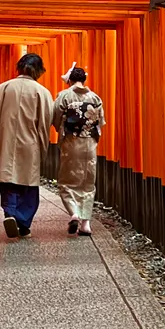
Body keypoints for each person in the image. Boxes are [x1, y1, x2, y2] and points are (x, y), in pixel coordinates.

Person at [0, 53, 54, 238]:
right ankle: (23, 223)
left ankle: (10, 214)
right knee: (28, 185)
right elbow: (46, 122)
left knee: (8, 181)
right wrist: (43, 149)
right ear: (39, 70)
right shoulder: (42, 92)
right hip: (31, 145)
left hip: (7, 142)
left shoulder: (4, 88)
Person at [52, 64, 105, 236]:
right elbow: (100, 122)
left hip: (71, 142)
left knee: (66, 181)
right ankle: (86, 224)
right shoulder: (95, 98)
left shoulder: (65, 95)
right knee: (88, 183)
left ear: (71, 80)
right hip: (90, 143)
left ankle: (74, 213)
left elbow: (56, 117)